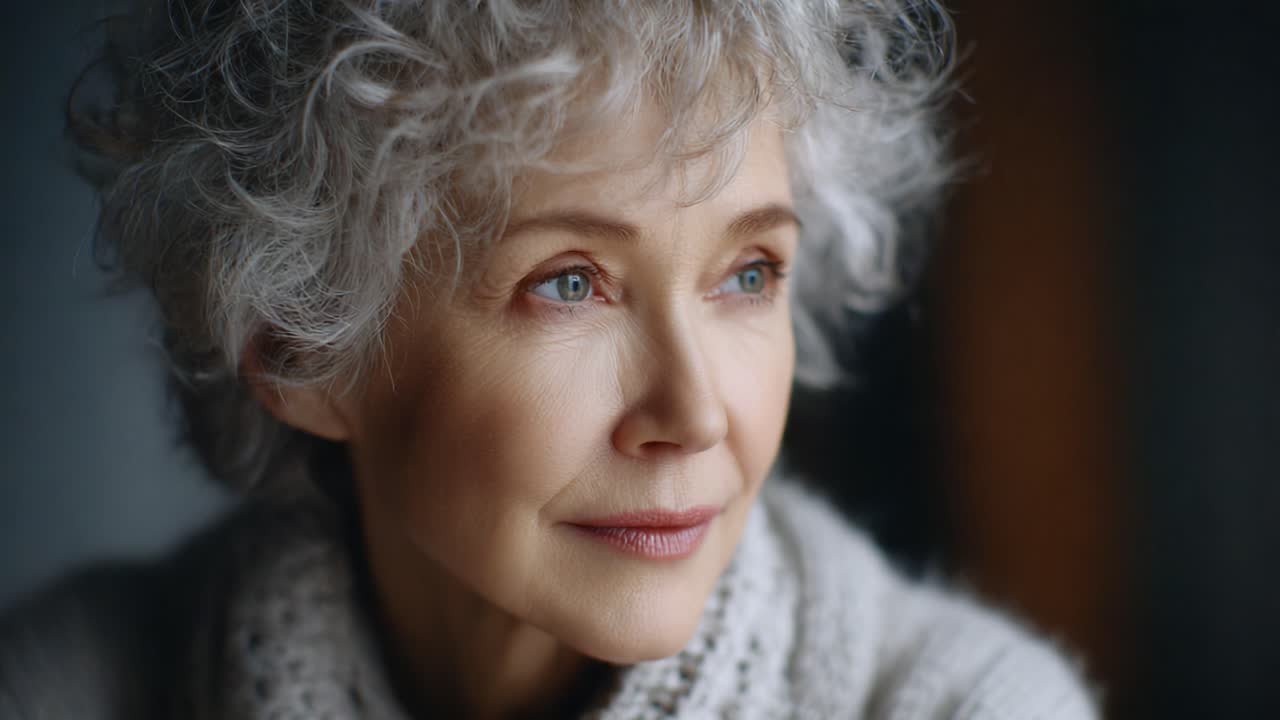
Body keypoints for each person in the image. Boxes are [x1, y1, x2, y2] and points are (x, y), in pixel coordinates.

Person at [0, 1, 1098, 718]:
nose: (695, 412)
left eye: (748, 273)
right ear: (297, 342)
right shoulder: (68, 690)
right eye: (569, 283)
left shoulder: (968, 705)